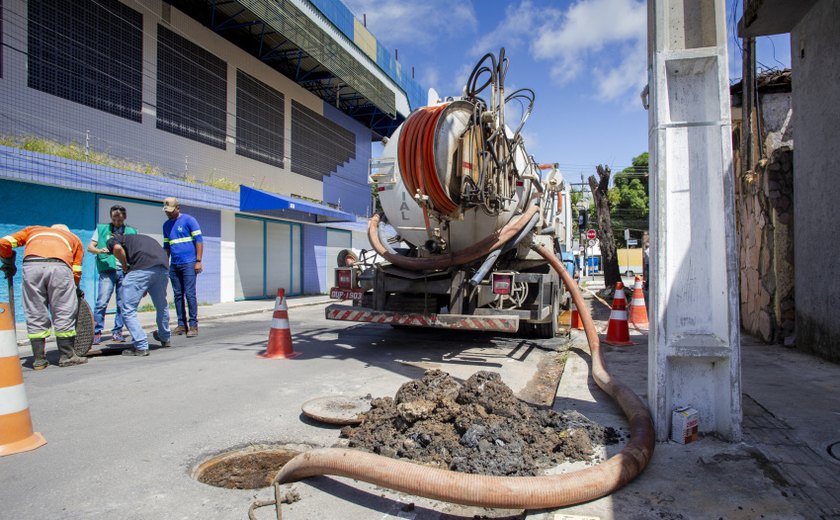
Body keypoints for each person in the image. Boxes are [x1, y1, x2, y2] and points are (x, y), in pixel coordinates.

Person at [0, 224, 87, 369]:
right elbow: (76, 269)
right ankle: (67, 356)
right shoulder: (73, 238)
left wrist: (7, 259)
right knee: (64, 309)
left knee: (35, 310)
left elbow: (3, 242)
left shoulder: (33, 230)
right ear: (66, 231)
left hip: (31, 267)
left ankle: (39, 360)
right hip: (60, 268)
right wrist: (75, 287)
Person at [106, 233, 171, 356]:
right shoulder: (141, 239)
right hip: (162, 268)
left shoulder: (113, 240)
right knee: (161, 305)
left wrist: (124, 266)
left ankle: (141, 345)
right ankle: (165, 337)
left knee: (128, 309)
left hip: (142, 269)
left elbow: (117, 249)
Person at [87, 205, 137, 344]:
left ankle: (117, 332)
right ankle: (96, 332)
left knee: (122, 303)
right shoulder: (102, 229)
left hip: (124, 270)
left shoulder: (131, 231)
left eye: (119, 219)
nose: (116, 222)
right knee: (102, 302)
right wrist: (99, 251)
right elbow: (90, 247)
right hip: (107, 269)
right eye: (114, 219)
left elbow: (134, 251)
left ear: (124, 218)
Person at [162, 197, 203, 338]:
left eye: (170, 211)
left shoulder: (189, 220)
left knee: (190, 294)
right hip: (175, 265)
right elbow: (166, 247)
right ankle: (181, 325)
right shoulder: (166, 225)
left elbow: (199, 241)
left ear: (178, 208)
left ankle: (193, 325)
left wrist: (198, 261)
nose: (168, 213)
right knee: (178, 295)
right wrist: (164, 264)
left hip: (189, 263)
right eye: (166, 211)